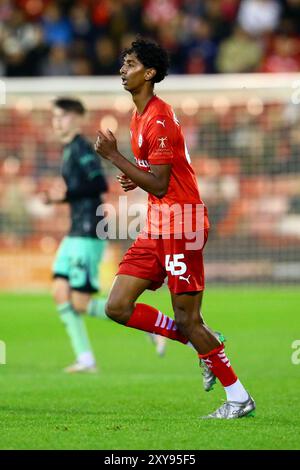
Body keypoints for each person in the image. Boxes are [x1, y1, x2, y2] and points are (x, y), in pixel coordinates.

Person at [94, 38, 255, 419]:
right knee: (116, 306)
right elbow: (158, 176)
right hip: (157, 224)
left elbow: (164, 185)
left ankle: (238, 397)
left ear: (149, 73)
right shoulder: (139, 117)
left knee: (187, 318)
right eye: (123, 62)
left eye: (130, 63)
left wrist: (115, 157)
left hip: (182, 223)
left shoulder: (160, 118)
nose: (122, 68)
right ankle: (202, 343)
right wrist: (139, 175)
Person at [43, 97, 108, 373]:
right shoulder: (68, 149)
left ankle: (143, 320)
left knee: (80, 303)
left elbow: (99, 183)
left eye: (63, 116)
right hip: (74, 231)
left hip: (88, 231)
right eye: (55, 116)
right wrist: (59, 200)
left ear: (78, 117)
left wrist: (67, 195)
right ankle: (85, 359)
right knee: (60, 291)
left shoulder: (82, 147)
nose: (57, 121)